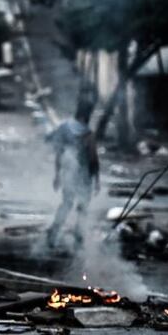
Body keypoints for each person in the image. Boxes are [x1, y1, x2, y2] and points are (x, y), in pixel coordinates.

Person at [46, 100, 100, 248]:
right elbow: (93, 158)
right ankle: (78, 235)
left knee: (66, 203)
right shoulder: (88, 134)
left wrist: (57, 175)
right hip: (85, 176)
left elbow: (59, 153)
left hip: (68, 173)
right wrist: (97, 180)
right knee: (83, 206)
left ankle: (53, 232)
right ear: (86, 115)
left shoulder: (64, 128)